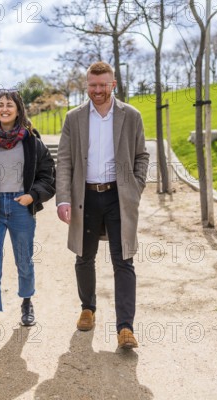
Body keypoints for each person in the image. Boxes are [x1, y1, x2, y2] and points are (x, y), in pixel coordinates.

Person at [56, 61, 149, 349]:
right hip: (85, 196)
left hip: (118, 196)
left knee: (124, 260)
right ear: (87, 85)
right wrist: (64, 198)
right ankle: (88, 308)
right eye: (93, 85)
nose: (97, 90)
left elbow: (141, 156)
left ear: (113, 84)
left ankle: (125, 328)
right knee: (84, 256)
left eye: (103, 85)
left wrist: (136, 187)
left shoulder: (131, 116)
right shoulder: (74, 118)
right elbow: (65, 160)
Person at [0, 89, 55, 349]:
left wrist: (32, 196)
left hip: (20, 207)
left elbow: (48, 177)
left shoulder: (32, 142)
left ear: (18, 110)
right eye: (0, 105)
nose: (4, 109)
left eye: (9, 105)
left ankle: (27, 302)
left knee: (24, 262)